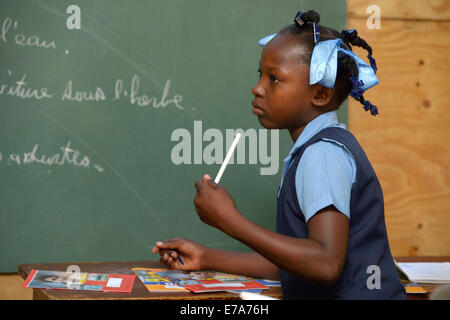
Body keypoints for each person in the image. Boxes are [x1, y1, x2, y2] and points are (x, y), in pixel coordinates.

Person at [152, 10, 406, 300]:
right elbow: (299, 263)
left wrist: (231, 221)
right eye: (260, 75)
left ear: (320, 95)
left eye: (274, 79)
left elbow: (325, 264)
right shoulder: (318, 148)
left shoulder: (321, 155)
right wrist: (207, 257)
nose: (257, 88)